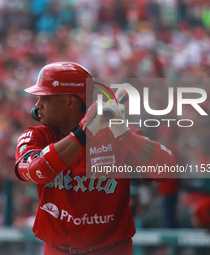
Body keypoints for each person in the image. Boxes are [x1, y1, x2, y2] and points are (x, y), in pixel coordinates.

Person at [14, 62, 176, 255]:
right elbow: (36, 170)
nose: (37, 105)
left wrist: (125, 133)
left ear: (70, 102)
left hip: (112, 250)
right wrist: (84, 132)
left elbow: (167, 171)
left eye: (45, 98)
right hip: (58, 251)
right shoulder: (36, 136)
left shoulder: (115, 135)